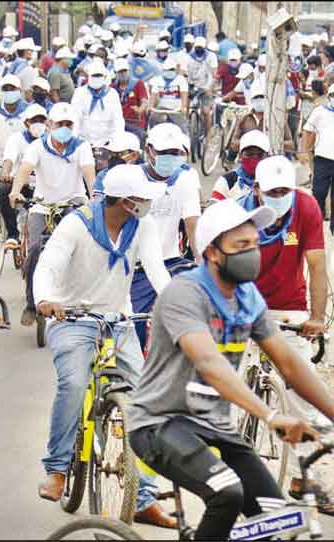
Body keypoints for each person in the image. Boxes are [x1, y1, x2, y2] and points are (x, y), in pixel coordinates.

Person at [128, 198, 334, 541]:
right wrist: (270, 416)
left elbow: (289, 364)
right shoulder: (185, 293)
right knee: (227, 493)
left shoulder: (248, 297)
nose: (252, 253)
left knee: (277, 519)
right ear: (213, 252)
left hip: (214, 425)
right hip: (160, 423)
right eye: (241, 246)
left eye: (254, 244)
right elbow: (210, 364)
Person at [34, 164, 176, 527]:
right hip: (72, 320)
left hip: (118, 321)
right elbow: (47, 266)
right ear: (126, 202)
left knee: (146, 397)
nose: (146, 204)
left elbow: (158, 271)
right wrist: (46, 299)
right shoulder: (76, 224)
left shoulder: (141, 227)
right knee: (73, 383)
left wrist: (176, 303)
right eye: (142, 198)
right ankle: (57, 469)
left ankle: (143, 496)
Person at [237, 156, 334, 513]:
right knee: (227, 392)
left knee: (302, 396)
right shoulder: (239, 214)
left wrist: (317, 316)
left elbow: (317, 263)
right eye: (272, 191)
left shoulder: (305, 207)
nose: (280, 196)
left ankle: (303, 478)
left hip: (288, 311)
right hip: (244, 307)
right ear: (257, 190)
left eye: (285, 190)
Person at [9, 103, 95, 326]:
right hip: (42, 206)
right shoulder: (37, 147)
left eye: (69, 124)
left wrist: (95, 197)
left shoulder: (81, 147)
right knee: (36, 249)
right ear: (49, 125)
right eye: (60, 124)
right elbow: (25, 169)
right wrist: (16, 190)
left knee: (83, 248)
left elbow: (89, 173)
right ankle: (31, 304)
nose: (64, 128)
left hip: (73, 205)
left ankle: (84, 298)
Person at [130, 123, 202, 348]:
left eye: (176, 153)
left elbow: (192, 223)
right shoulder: (132, 179)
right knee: (134, 331)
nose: (171, 158)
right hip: (137, 267)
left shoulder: (186, 179)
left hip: (171, 262)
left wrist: (202, 262)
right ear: (149, 150)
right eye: (164, 153)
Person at [0, 104, 47, 249]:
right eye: (34, 120)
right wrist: (5, 174)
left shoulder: (50, 141)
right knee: (3, 191)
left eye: (41, 120)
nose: (38, 124)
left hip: (43, 187)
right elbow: (9, 159)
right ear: (27, 122)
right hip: (20, 185)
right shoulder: (16, 139)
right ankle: (12, 235)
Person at [300, 84, 334, 225]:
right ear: (329, 97)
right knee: (319, 191)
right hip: (323, 158)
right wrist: (304, 151)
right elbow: (308, 130)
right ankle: (316, 220)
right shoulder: (320, 111)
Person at [71, 60, 125, 148]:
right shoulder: (80, 93)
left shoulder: (112, 94)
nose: (96, 78)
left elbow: (118, 119)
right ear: (88, 76)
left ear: (104, 77)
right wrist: (74, 140)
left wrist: (117, 141)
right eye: (94, 75)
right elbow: (75, 118)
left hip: (107, 142)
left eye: (99, 75)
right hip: (85, 141)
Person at [211, 129, 270, 202]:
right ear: (240, 156)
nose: (254, 158)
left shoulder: (276, 184)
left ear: (267, 157)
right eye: (249, 154)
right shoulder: (226, 182)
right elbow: (213, 210)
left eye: (260, 155)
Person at [92, 130, 142, 197]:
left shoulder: (146, 176)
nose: (113, 157)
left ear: (134, 155)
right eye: (111, 153)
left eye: (119, 154)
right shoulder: (103, 175)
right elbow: (97, 201)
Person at [111, 57, 149, 141]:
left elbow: (144, 101)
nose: (123, 74)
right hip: (118, 123)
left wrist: (140, 109)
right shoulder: (112, 87)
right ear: (115, 73)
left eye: (124, 71)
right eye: (120, 72)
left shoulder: (138, 83)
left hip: (135, 123)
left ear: (128, 71)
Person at [186, 36, 218, 134]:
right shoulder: (189, 57)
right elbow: (183, 71)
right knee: (185, 107)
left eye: (201, 47)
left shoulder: (211, 57)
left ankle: (208, 136)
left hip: (206, 87)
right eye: (197, 47)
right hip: (192, 86)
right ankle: (187, 128)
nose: (199, 49)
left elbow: (214, 74)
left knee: (206, 112)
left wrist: (211, 87)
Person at [149, 58, 189, 132]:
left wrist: (183, 107)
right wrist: (151, 106)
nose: (169, 72)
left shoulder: (181, 80)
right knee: (152, 125)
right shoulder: (157, 80)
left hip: (175, 110)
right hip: (160, 110)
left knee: (182, 130)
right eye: (167, 70)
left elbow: (184, 95)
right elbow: (153, 95)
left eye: (171, 70)